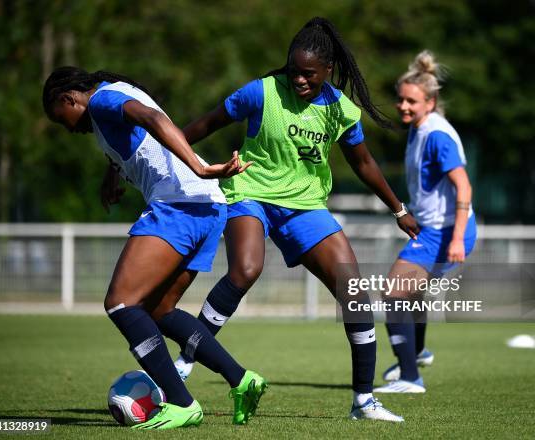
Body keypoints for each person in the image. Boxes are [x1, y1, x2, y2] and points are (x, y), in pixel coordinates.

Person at [168, 17, 420, 422]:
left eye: (308, 74)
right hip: (250, 194)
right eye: (293, 71)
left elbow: (364, 163)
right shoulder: (261, 92)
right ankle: (185, 361)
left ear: (327, 71)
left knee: (353, 292)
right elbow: (204, 124)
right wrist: (167, 153)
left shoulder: (340, 109)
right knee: (246, 270)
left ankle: (364, 402)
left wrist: (400, 209)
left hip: (305, 205)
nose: (299, 80)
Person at [42, 67, 267, 429]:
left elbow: (152, 118)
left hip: (179, 206)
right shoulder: (114, 97)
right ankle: (242, 379)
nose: (67, 128)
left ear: (69, 99)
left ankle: (181, 402)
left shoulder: (101, 101)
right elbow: (130, 138)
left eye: (61, 119)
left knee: (121, 303)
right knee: (160, 310)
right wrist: (112, 175)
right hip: (209, 208)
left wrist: (200, 166)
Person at [373, 51, 477, 393]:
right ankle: (416, 352)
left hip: (446, 231)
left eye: (411, 102)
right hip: (434, 229)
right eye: (401, 99)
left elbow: (463, 185)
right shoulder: (420, 129)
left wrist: (458, 238)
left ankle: (409, 377)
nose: (403, 106)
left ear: (430, 103)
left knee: (393, 294)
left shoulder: (436, 136)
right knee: (410, 295)